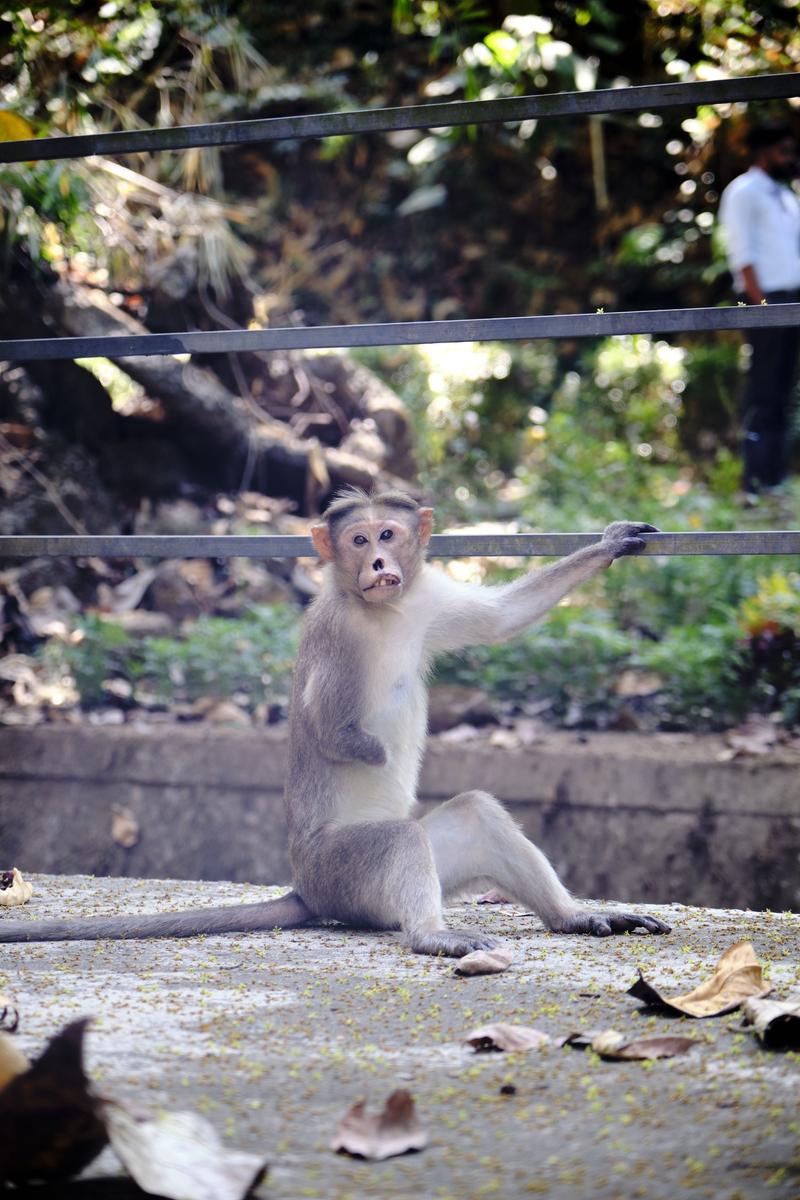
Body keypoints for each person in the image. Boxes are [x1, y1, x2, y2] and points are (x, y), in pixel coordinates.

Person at [718, 123, 800, 499]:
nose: (789, 158)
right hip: (767, 302)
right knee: (762, 392)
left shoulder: (784, 196)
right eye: (783, 150)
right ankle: (753, 483)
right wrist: (764, 308)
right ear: (764, 152)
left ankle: (775, 480)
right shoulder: (743, 192)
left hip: (793, 300)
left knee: (784, 392)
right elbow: (743, 258)